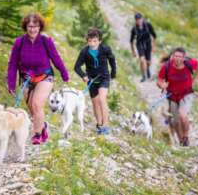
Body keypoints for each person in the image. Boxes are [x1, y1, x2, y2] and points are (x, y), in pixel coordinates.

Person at [7, 13, 69, 145]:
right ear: (26, 27)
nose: (32, 29)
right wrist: (11, 83)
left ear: (40, 27)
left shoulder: (46, 41)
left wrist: (64, 74)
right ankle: (43, 126)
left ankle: (37, 135)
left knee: (37, 104)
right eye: (30, 26)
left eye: (35, 26)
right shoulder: (19, 42)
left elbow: (56, 58)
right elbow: (12, 63)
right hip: (27, 79)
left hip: (45, 77)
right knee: (32, 108)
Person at [74, 28, 116, 135]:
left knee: (102, 99)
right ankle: (99, 125)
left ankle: (105, 125)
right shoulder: (84, 52)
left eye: (95, 41)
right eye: (90, 41)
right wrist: (83, 76)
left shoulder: (105, 49)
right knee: (95, 103)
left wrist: (113, 73)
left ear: (100, 41)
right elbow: (77, 67)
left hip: (104, 78)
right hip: (91, 80)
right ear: (87, 40)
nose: (92, 43)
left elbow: (112, 60)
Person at [157, 47, 198, 146]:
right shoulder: (166, 66)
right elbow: (159, 80)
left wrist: (195, 79)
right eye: (175, 56)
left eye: (180, 57)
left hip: (186, 94)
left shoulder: (190, 63)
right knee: (175, 121)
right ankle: (181, 141)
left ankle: (186, 136)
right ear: (172, 56)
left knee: (182, 115)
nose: (177, 58)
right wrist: (161, 85)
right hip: (172, 96)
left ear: (184, 58)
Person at [130, 13, 157, 82]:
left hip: (148, 43)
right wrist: (133, 51)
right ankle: (143, 76)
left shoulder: (148, 25)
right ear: (135, 20)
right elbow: (131, 41)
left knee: (148, 62)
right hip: (139, 44)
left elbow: (154, 36)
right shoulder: (134, 29)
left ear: (142, 19)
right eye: (137, 20)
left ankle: (147, 69)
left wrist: (154, 46)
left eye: (140, 19)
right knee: (142, 60)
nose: (139, 21)